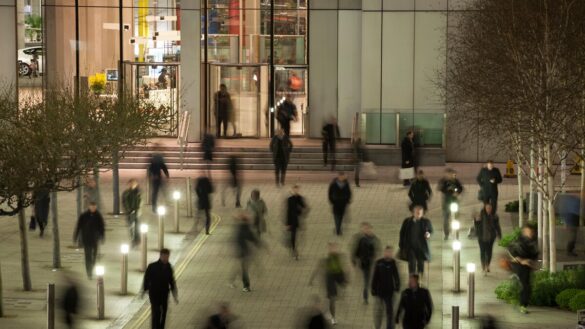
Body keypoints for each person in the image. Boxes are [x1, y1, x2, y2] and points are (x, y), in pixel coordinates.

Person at [309, 242, 348, 326]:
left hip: (336, 281)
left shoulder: (339, 258)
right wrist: (311, 279)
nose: (334, 249)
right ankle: (332, 317)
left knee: (331, 299)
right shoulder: (325, 260)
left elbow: (344, 269)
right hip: (329, 282)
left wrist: (345, 280)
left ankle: (330, 315)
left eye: (335, 248)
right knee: (331, 300)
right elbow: (317, 269)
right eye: (332, 248)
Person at [142, 248, 178, 329]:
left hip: (164, 294)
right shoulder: (152, 266)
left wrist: (174, 293)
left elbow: (172, 281)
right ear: (160, 256)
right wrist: (145, 289)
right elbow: (146, 278)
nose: (166, 259)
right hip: (154, 294)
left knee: (164, 313)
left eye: (167, 257)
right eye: (164, 256)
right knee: (156, 312)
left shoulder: (169, 267)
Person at [508, 224, 538, 314]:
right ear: (524, 231)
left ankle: (523, 303)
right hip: (518, 265)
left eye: (531, 232)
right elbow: (511, 250)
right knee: (526, 286)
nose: (530, 233)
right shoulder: (519, 240)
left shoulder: (532, 242)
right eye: (528, 231)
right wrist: (521, 260)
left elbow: (534, 254)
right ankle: (523, 305)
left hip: (527, 266)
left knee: (527, 285)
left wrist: (530, 261)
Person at [73, 202, 105, 279]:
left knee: (94, 256)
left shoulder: (98, 216)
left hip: (95, 239)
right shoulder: (84, 215)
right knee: (88, 256)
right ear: (89, 207)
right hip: (86, 239)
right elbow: (79, 226)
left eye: (94, 207)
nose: (93, 208)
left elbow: (102, 227)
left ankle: (92, 267)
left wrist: (102, 236)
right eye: (92, 207)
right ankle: (89, 272)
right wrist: (76, 236)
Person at [398, 205, 433, 276]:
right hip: (410, 247)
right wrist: (401, 245)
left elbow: (430, 230)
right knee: (412, 262)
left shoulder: (426, 222)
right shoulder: (407, 222)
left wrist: (428, 234)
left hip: (421, 247)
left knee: (420, 263)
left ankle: (420, 277)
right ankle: (412, 276)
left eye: (420, 213)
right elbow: (402, 233)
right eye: (417, 213)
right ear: (413, 213)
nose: (418, 214)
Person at [351, 222, 381, 304]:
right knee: (366, 281)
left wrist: (377, 257)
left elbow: (377, 249)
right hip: (365, 264)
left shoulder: (374, 238)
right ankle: (366, 297)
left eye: (367, 228)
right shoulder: (361, 239)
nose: (366, 230)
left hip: (372, 262)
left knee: (373, 279)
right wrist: (354, 259)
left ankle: (374, 293)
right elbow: (356, 250)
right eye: (364, 229)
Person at [371, 246, 401, 329]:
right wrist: (373, 288)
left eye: (390, 252)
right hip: (379, 291)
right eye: (387, 252)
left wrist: (397, 285)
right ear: (384, 253)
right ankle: (377, 326)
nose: (388, 254)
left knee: (389, 312)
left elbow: (396, 276)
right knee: (378, 312)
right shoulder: (379, 263)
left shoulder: (393, 263)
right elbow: (375, 276)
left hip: (389, 292)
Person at [233, 213, 262, 292]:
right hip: (245, 252)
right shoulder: (245, 228)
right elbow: (253, 239)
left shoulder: (241, 228)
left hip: (243, 252)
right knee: (243, 268)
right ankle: (244, 285)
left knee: (243, 269)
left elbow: (237, 240)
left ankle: (245, 285)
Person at [474, 203, 502, 275]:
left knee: (489, 251)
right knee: (482, 251)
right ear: (485, 208)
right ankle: (483, 266)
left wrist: (499, 235)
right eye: (487, 208)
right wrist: (476, 220)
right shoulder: (481, 215)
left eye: (490, 208)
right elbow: (476, 225)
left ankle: (487, 265)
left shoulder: (494, 216)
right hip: (481, 237)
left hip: (491, 237)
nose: (489, 209)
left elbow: (497, 226)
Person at [438, 168, 463, 240]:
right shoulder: (444, 181)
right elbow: (441, 189)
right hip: (446, 203)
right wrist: (447, 190)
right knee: (446, 219)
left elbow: (460, 188)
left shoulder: (456, 181)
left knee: (456, 218)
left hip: (454, 202)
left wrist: (457, 192)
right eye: (449, 174)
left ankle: (456, 233)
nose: (451, 176)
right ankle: (446, 234)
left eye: (452, 174)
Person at [286, 185, 307, 260]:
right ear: (292, 190)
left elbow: (305, 207)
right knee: (293, 236)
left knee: (298, 236)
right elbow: (288, 211)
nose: (296, 191)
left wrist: (301, 210)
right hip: (292, 220)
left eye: (297, 190)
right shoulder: (289, 199)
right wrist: (287, 223)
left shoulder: (300, 198)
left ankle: (294, 249)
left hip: (299, 220)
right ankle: (294, 250)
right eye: (295, 190)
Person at [122, 179, 142, 246]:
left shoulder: (138, 192)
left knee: (137, 226)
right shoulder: (126, 193)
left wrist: (139, 209)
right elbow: (124, 202)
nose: (132, 185)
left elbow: (141, 201)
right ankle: (133, 240)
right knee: (131, 227)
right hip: (129, 212)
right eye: (131, 184)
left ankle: (137, 239)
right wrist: (128, 210)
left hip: (137, 211)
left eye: (134, 183)